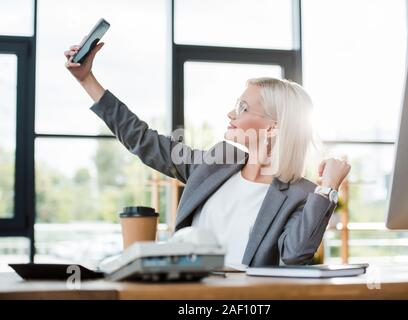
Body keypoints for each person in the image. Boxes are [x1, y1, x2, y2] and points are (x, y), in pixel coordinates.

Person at [64, 42, 350, 268]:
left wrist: (327, 189)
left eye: (243, 108)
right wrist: (87, 79)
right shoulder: (214, 165)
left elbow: (296, 254)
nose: (230, 113)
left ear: (274, 127)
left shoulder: (301, 195)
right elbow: (143, 140)